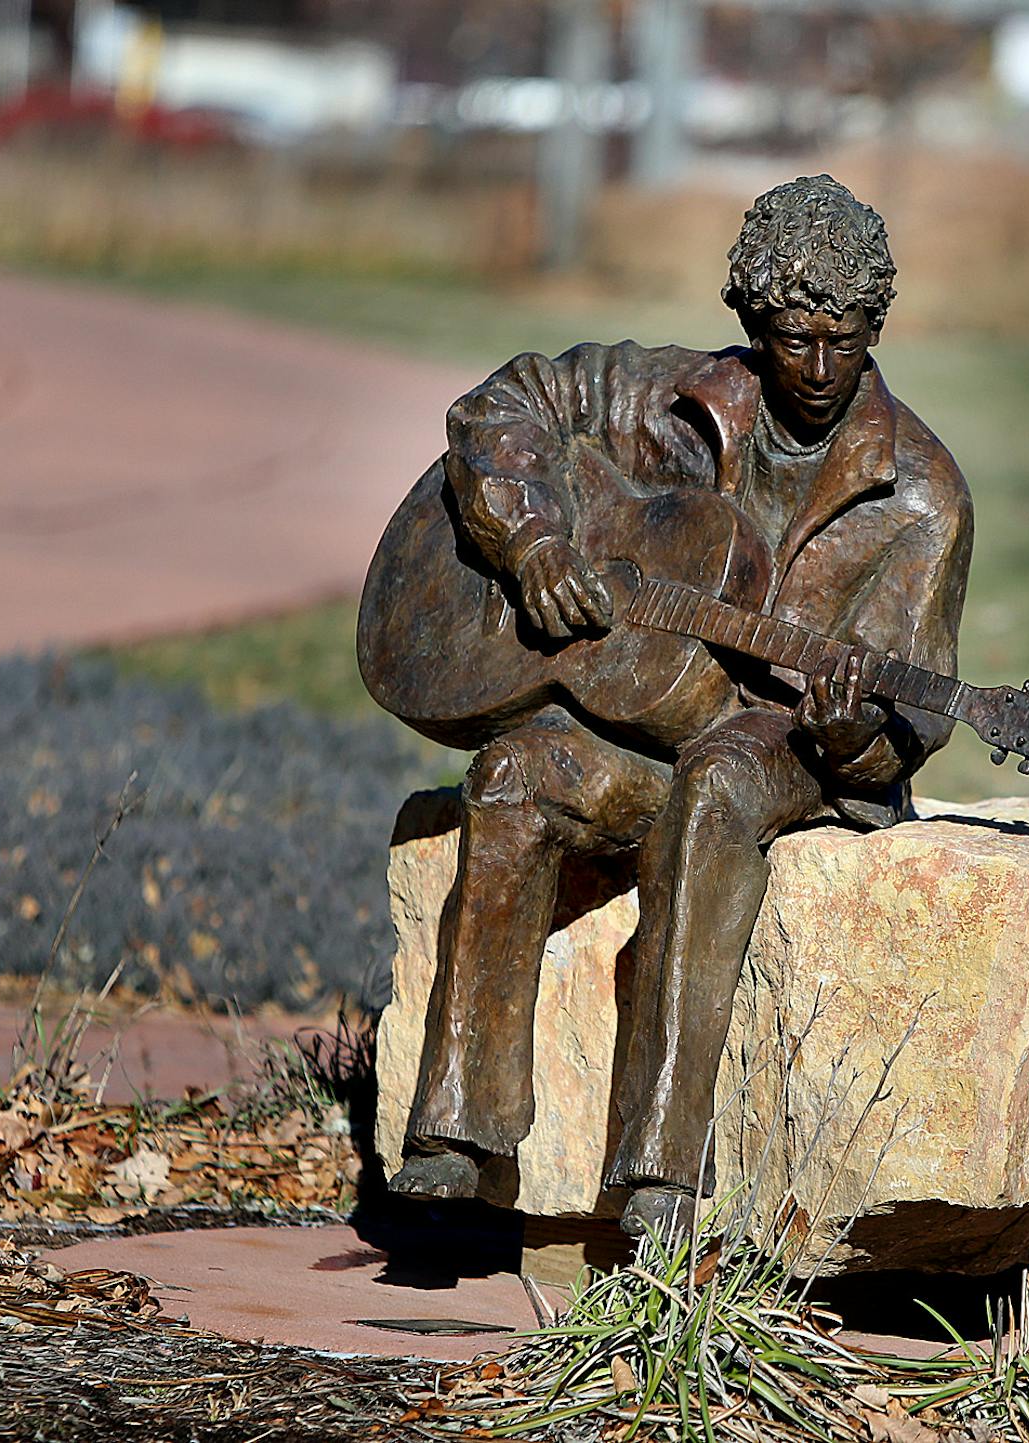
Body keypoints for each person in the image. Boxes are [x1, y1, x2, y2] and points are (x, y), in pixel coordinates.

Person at [388, 175, 973, 1240]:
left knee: (720, 785)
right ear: (753, 319)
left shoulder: (920, 497)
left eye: (847, 340)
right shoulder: (668, 395)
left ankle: (658, 1168)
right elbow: (500, 404)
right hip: (634, 713)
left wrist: (851, 728)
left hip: (778, 738)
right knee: (515, 773)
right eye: (795, 338)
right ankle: (459, 1132)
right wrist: (532, 541)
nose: (821, 369)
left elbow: (903, 735)